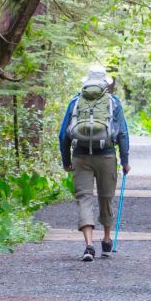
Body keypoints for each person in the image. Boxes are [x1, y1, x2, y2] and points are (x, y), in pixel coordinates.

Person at [58, 64, 130, 260]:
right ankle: (106, 240)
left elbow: (63, 134)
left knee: (84, 198)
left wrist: (66, 161)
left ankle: (89, 246)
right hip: (106, 155)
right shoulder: (113, 102)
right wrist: (125, 161)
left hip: (80, 156)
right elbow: (122, 133)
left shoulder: (75, 101)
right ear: (104, 83)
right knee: (106, 198)